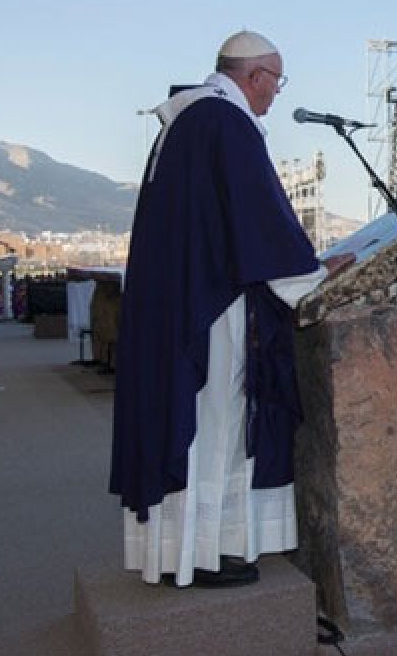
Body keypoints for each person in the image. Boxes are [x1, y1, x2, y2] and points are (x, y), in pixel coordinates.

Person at [109, 31, 353, 588]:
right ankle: (203, 554)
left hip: (178, 301)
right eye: (276, 82)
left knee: (196, 423)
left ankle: (185, 549)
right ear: (255, 76)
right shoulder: (226, 123)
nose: (274, 96)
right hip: (209, 311)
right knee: (213, 423)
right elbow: (259, 218)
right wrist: (312, 274)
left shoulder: (188, 122)